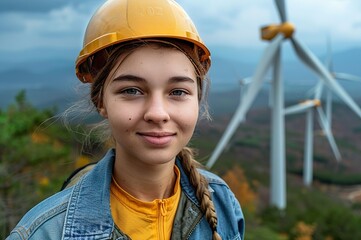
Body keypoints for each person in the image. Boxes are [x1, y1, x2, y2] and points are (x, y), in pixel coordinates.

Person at [6, 0, 244, 239]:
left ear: (197, 100)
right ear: (101, 101)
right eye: (132, 91)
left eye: (178, 92)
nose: (158, 113)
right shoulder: (44, 232)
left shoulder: (222, 203)